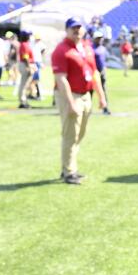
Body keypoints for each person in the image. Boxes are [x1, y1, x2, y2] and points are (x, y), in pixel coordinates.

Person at [51, 17, 106, 185]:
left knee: (80, 134)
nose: (76, 30)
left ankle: (70, 167)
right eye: (73, 28)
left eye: (79, 27)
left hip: (85, 93)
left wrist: (101, 95)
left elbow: (94, 72)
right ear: (67, 30)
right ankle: (68, 171)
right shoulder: (61, 50)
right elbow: (61, 79)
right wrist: (70, 102)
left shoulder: (87, 47)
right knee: (70, 134)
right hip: (71, 94)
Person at [91, 32, 111, 115]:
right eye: (98, 38)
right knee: (90, 90)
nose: (100, 40)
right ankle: (87, 107)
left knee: (103, 89)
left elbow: (104, 59)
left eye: (100, 38)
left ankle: (105, 108)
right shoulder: (91, 48)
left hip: (102, 71)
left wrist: (104, 67)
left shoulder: (103, 48)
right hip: (93, 72)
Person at [16, 29, 34, 109]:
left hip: (25, 64)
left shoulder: (24, 44)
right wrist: (28, 67)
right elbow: (25, 57)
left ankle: (23, 100)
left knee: (25, 84)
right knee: (24, 84)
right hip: (25, 64)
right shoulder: (24, 44)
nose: (29, 36)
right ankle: (22, 101)